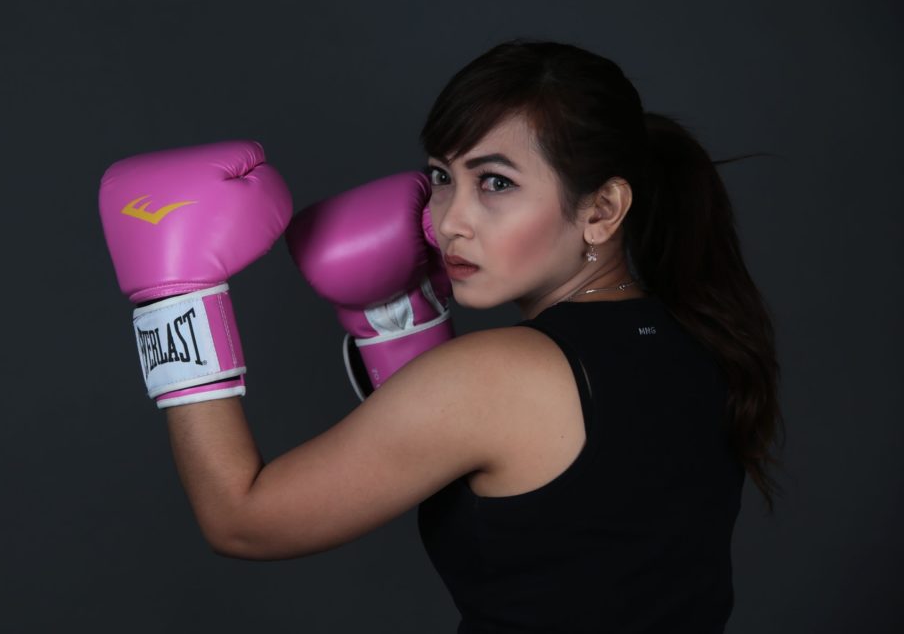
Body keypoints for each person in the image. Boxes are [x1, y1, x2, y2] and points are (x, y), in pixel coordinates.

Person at [98, 39, 783, 633]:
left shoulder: (495, 375)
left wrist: (175, 295)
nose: (448, 219)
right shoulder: (694, 341)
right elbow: (566, 533)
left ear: (602, 209)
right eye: (439, 177)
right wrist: (395, 321)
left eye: (494, 182)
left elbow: (239, 518)